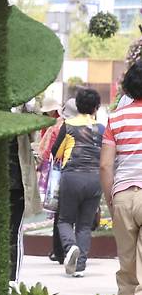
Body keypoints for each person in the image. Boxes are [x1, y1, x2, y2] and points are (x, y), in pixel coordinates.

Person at [0, 128, 42, 290]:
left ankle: (12, 281)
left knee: (13, 234)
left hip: (16, 184)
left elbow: (34, 135)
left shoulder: (22, 119)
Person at [100, 60, 142, 295]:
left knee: (127, 269)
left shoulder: (115, 119)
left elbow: (105, 165)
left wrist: (110, 198)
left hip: (123, 197)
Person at [52, 88, 104, 277]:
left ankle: (71, 246)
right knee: (84, 224)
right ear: (96, 107)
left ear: (77, 105)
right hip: (95, 178)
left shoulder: (68, 125)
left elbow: (56, 152)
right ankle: (79, 266)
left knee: (65, 220)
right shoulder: (102, 128)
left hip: (72, 176)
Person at [38, 96, 74, 264]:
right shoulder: (92, 127)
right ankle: (75, 253)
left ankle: (59, 251)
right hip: (85, 173)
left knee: (60, 213)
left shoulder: (58, 125)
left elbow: (50, 150)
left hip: (59, 171)